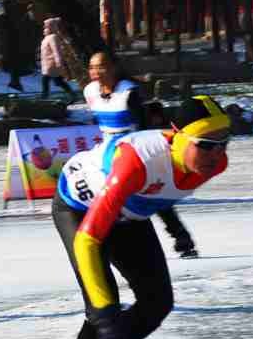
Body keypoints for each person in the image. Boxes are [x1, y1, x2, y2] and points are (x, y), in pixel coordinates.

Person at [51, 95, 230, 339]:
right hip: (79, 211)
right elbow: (88, 240)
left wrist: (178, 233)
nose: (216, 154)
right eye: (206, 144)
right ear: (177, 135)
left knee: (158, 303)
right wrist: (106, 321)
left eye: (224, 143)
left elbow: (162, 193)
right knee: (103, 310)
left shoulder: (214, 164)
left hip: (127, 217)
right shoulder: (136, 161)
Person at [84, 51, 199, 259]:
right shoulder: (90, 91)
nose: (95, 71)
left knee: (151, 194)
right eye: (92, 67)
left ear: (113, 68)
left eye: (101, 66)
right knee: (107, 195)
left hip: (133, 149)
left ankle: (181, 238)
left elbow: (143, 125)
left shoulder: (128, 92)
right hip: (107, 151)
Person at [40, 17, 79, 102]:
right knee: (58, 81)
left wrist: (59, 62)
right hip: (46, 64)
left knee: (45, 80)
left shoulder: (53, 37)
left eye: (46, 26)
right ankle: (72, 95)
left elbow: (56, 50)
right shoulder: (46, 38)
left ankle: (44, 96)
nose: (44, 28)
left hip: (52, 64)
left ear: (51, 27)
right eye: (45, 26)